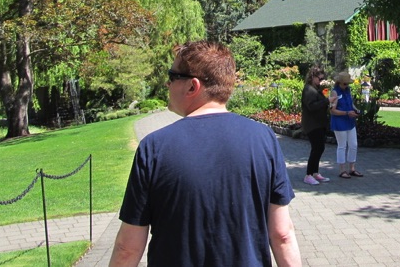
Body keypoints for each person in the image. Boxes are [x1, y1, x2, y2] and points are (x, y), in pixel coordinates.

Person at [109, 41, 301, 267]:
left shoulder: (154, 147)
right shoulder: (264, 139)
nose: (167, 83)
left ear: (192, 86)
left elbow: (127, 248)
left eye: (172, 76)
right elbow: (282, 234)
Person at [301, 65, 332, 186]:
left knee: (320, 148)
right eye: (320, 78)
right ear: (313, 77)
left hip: (319, 123)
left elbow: (320, 103)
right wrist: (327, 101)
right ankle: (308, 175)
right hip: (312, 124)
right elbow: (311, 106)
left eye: (322, 78)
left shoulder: (316, 89)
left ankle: (315, 172)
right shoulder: (308, 90)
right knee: (316, 148)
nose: (321, 81)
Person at [329, 70, 363, 179]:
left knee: (353, 144)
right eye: (344, 84)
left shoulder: (347, 90)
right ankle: (342, 170)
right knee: (342, 146)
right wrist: (347, 113)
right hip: (340, 122)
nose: (346, 85)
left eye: (348, 83)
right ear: (339, 83)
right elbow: (332, 110)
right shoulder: (335, 92)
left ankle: (352, 168)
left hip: (350, 121)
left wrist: (356, 110)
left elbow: (350, 104)